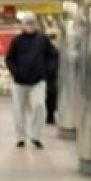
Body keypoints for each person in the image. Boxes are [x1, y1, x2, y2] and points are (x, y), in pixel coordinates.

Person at [5, 13, 58, 149]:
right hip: (19, 82)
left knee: (39, 106)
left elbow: (53, 56)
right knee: (18, 110)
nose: (30, 26)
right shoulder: (16, 40)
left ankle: (35, 136)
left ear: (36, 25)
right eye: (27, 23)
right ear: (22, 25)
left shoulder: (43, 40)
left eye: (32, 23)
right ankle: (20, 137)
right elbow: (9, 58)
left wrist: (46, 71)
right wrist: (15, 72)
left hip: (38, 81)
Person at [45, 31, 60, 124]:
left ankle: (50, 116)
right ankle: (50, 116)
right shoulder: (52, 50)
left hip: (51, 76)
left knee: (51, 96)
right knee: (51, 97)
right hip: (51, 77)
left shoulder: (50, 49)